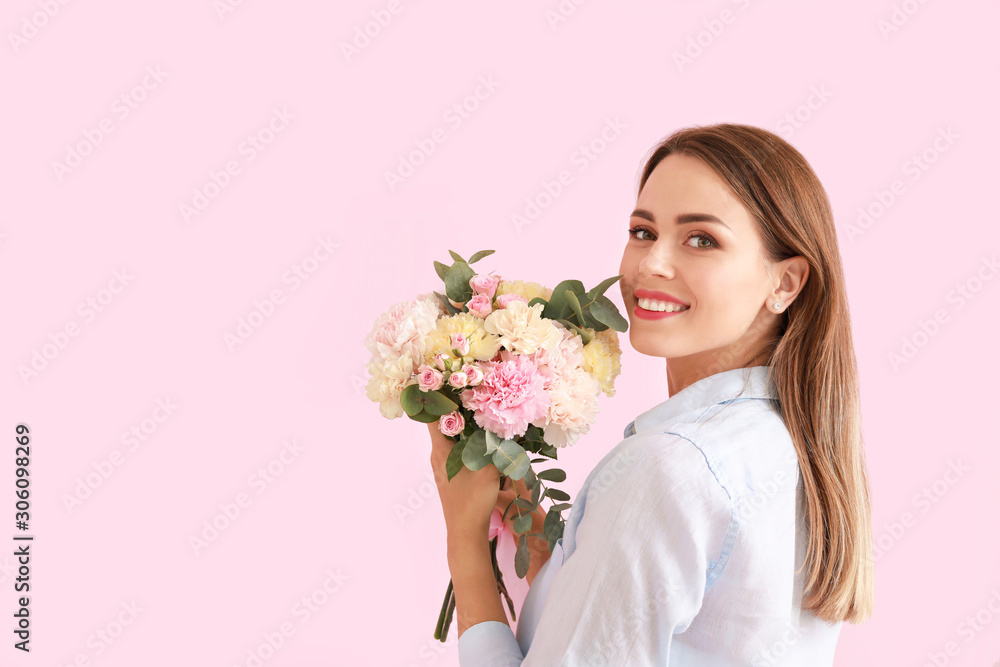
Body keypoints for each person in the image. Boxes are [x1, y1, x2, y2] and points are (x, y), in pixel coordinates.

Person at [426, 123, 875, 665]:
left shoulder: (670, 467)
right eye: (643, 231)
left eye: (701, 239)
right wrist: (559, 548)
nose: (651, 264)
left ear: (785, 283)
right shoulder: (793, 445)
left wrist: (465, 545)